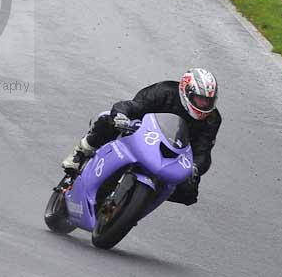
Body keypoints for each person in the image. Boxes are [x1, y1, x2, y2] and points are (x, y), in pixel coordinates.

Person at [61, 68, 221, 206]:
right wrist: (121, 116)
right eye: (200, 99)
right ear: (186, 92)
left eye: (208, 101)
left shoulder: (212, 119)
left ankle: (142, 200)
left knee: (189, 193)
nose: (204, 105)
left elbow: (203, 150)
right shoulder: (163, 92)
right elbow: (133, 106)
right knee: (107, 119)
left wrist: (195, 168)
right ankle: (80, 153)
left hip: (174, 151)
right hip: (141, 133)